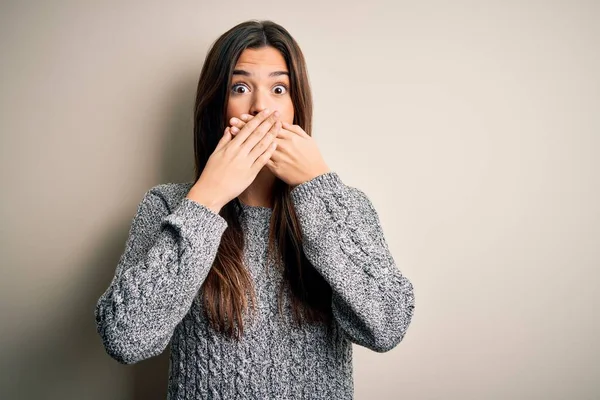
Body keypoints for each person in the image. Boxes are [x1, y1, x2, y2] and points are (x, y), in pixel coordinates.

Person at [94, 19, 415, 399]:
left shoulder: (344, 207)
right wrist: (206, 198)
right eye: (241, 87)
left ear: (297, 108)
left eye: (279, 89)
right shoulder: (169, 206)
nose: (261, 106)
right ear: (217, 105)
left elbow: (387, 326)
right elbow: (125, 339)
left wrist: (318, 187)